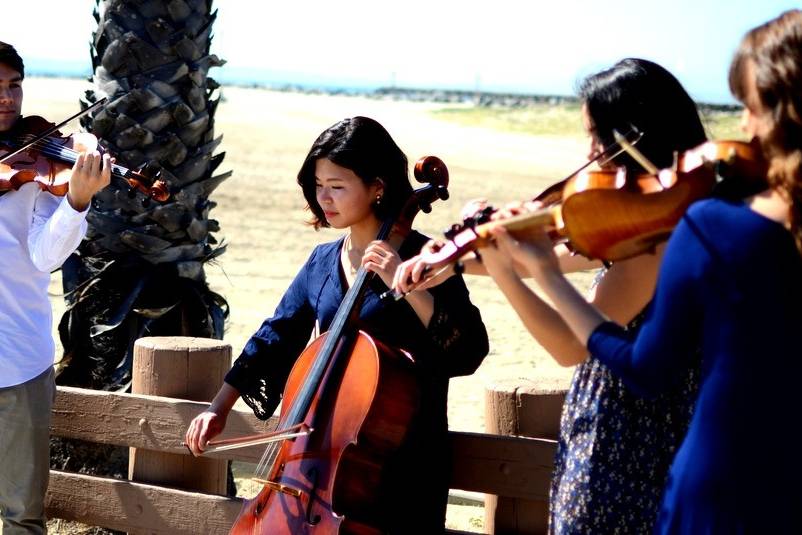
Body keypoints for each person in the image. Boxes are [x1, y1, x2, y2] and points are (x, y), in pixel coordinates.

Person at [483, 10, 802, 533]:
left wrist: (532, 274)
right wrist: (460, 259)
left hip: (666, 467)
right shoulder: (696, 222)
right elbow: (569, 251)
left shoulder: (704, 228)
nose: (742, 124)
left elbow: (617, 360)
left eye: (749, 105)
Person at [394, 58, 706, 533]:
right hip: (618, 439)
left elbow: (568, 345)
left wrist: (504, 274)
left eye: (595, 136)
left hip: (629, 448)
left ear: (633, 135)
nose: (589, 152)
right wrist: (452, 262)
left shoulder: (656, 241)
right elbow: (558, 254)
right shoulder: (639, 221)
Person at [184, 116, 489, 531]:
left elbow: (468, 348)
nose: (323, 198)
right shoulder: (322, 262)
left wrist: (404, 279)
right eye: (318, 185)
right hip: (325, 464)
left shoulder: (428, 257)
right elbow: (274, 336)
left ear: (377, 186)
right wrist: (218, 408)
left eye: (337, 186)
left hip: (403, 466)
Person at [0, 42, 112, 534]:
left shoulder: (40, 161)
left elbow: (47, 256)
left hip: (17, 363)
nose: (7, 98)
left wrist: (77, 201)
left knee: (21, 514)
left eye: (13, 86)